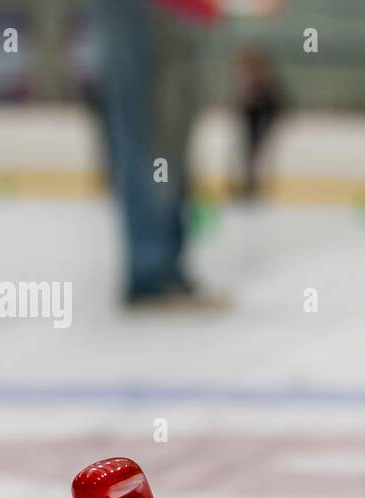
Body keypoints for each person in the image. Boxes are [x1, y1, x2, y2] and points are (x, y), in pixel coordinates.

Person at [95, 0, 221, 310]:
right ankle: (150, 274)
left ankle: (164, 270)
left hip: (171, 12)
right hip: (146, 9)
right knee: (151, 137)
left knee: (166, 140)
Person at [238, 45, 284, 201]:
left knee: (255, 155)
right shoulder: (249, 86)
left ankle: (254, 186)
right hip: (252, 124)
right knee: (249, 156)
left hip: (261, 123)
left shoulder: (267, 88)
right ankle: (250, 185)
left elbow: (274, 107)